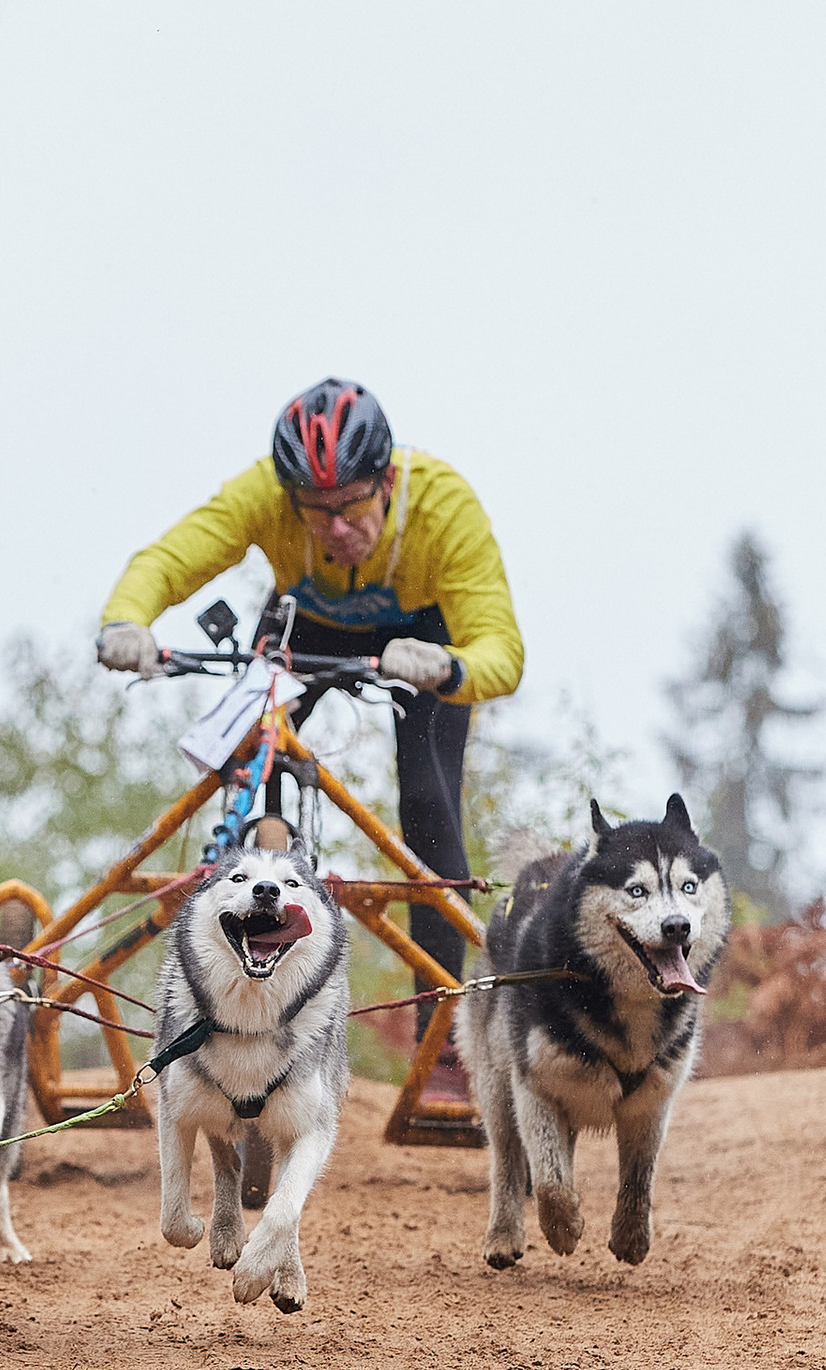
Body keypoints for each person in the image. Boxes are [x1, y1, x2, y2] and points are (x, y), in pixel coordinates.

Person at [97, 377, 524, 992]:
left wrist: (448, 667)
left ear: (389, 484)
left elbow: (502, 653)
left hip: (420, 640)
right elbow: (169, 558)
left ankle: (444, 1025)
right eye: (317, 514)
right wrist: (126, 621)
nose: (338, 530)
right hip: (306, 624)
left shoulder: (444, 505)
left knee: (429, 803)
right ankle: (254, 965)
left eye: (353, 507)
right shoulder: (265, 493)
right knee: (251, 758)